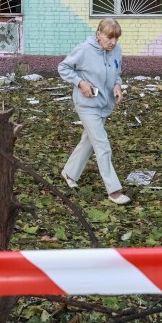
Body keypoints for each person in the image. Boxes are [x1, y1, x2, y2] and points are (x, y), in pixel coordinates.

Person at [57, 18, 130, 205]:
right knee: (102, 145)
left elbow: (118, 73)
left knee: (88, 141)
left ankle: (69, 172)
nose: (113, 42)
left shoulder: (116, 51)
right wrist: (80, 82)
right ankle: (113, 190)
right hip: (86, 104)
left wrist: (117, 86)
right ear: (99, 34)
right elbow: (63, 67)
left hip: (105, 104)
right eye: (109, 37)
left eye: (116, 38)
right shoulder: (84, 50)